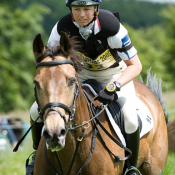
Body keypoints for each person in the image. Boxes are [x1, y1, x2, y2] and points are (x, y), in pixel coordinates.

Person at [26, 0, 142, 175]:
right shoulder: (61, 28)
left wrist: (114, 86)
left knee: (131, 118)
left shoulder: (113, 27)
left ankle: (131, 168)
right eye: (77, 9)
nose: (81, 15)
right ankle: (36, 156)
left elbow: (135, 65)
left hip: (113, 75)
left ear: (95, 9)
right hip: (80, 76)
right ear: (70, 9)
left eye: (87, 9)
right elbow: (52, 63)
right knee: (35, 110)